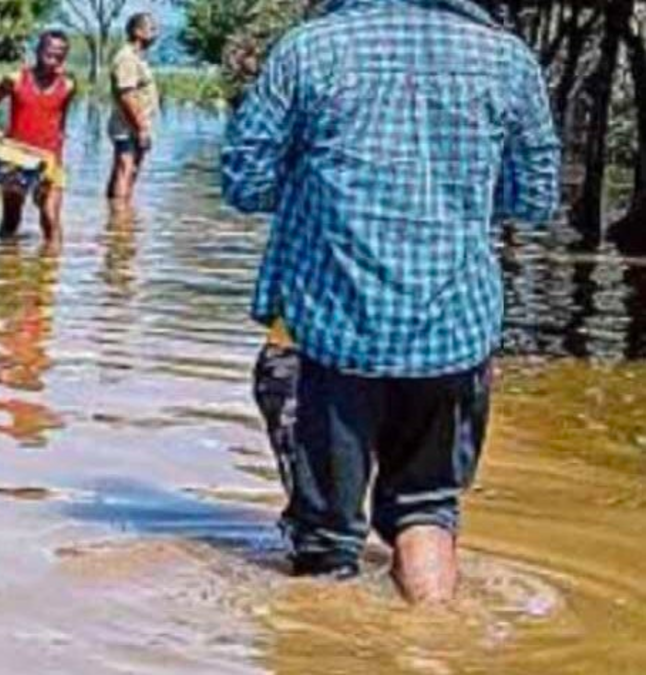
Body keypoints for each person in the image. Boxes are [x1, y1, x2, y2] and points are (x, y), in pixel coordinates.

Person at [224, 0, 560, 604]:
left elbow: (245, 182)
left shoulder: (310, 49)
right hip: (452, 333)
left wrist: (320, 192)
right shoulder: (509, 59)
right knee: (427, 511)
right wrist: (449, 204)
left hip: (330, 329)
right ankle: (430, 651)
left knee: (326, 541)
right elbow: (534, 199)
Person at [0, 31, 79, 247]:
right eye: (49, 52)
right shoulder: (15, 79)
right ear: (38, 50)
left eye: (60, 55)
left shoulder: (69, 86)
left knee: (51, 217)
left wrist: (59, 151)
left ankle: (50, 273)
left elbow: (61, 121)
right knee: (11, 220)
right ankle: (7, 269)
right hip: (17, 156)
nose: (54, 58)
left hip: (50, 158)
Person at [106, 12, 160, 203]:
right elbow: (126, 95)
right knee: (125, 169)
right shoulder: (126, 58)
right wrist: (141, 128)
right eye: (152, 29)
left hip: (134, 124)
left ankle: (117, 215)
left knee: (129, 170)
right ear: (137, 31)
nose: (156, 33)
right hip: (127, 125)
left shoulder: (137, 58)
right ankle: (119, 221)